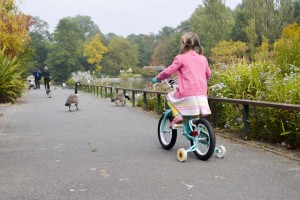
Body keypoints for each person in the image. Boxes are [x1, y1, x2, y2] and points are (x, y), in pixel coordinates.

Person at [151, 32, 212, 127]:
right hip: (202, 94)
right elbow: (208, 74)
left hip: (187, 93)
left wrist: (158, 78)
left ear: (183, 44)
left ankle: (178, 115)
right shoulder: (203, 59)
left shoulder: (181, 58)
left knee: (169, 96)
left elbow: (168, 71)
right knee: (194, 116)